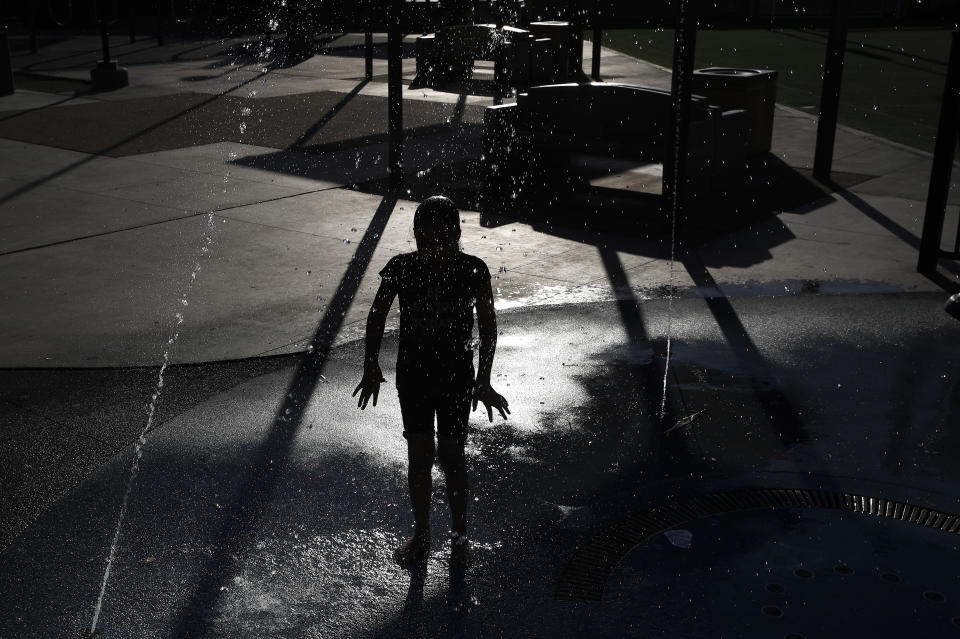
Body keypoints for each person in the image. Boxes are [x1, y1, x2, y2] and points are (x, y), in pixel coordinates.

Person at [353, 195, 510, 566]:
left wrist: (483, 380)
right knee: (420, 456)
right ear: (415, 237)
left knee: (453, 457)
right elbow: (376, 316)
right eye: (426, 241)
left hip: (456, 377)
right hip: (414, 376)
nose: (434, 249)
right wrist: (370, 363)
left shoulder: (473, 269)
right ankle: (422, 534)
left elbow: (488, 329)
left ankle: (459, 536)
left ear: (457, 234)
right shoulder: (400, 267)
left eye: (442, 241)